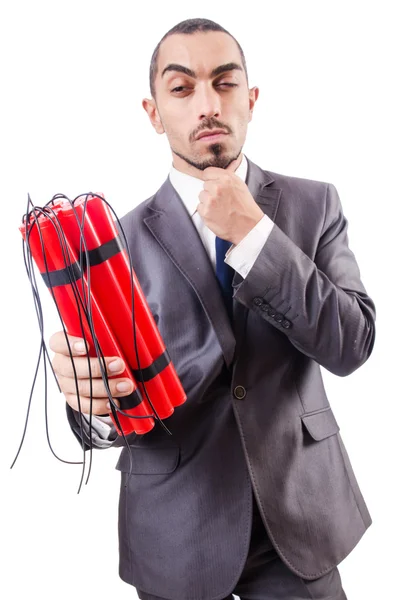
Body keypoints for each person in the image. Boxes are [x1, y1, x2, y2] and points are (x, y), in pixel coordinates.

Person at [49, 18, 376, 600]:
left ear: (250, 100)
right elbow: (111, 412)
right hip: (177, 529)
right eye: (182, 89)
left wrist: (257, 238)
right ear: (153, 113)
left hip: (298, 523)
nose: (207, 104)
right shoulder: (113, 243)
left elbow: (352, 344)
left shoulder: (314, 204)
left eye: (225, 84)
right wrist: (87, 400)